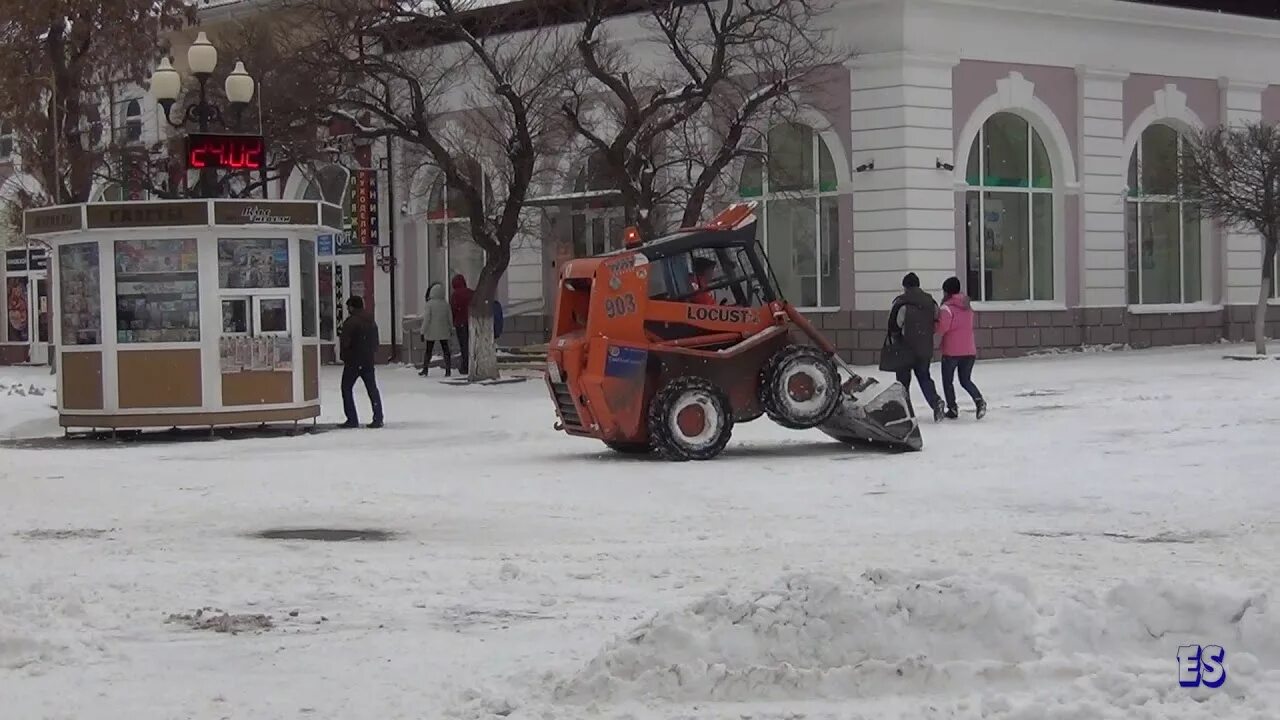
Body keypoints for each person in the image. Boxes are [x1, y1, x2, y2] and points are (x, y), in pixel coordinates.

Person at [889, 272, 945, 422]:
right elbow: (936, 319)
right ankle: (936, 401)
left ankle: (905, 412)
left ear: (905, 286)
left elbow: (895, 325)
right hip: (924, 347)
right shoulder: (930, 302)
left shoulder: (901, 302)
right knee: (925, 378)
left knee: (903, 382)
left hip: (904, 348)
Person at [935, 276, 987, 420]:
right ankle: (979, 400)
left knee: (948, 381)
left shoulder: (946, 308)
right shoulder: (967, 306)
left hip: (951, 351)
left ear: (946, 291)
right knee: (965, 380)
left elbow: (941, 329)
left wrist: (934, 323)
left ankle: (952, 408)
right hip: (969, 350)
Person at [338, 296, 383, 428]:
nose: (347, 309)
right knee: (372, 389)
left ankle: (352, 419)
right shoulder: (371, 321)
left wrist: (345, 356)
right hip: (367, 360)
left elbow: (346, 342)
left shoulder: (351, 322)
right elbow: (375, 342)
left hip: (353, 361)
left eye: (348, 307)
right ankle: (378, 417)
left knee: (346, 388)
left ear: (352, 307)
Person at [418, 282, 452, 377]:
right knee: (446, 350)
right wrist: (450, 328)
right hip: (444, 331)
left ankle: (425, 369)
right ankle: (448, 370)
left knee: (428, 351)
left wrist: (422, 332)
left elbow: (427, 319)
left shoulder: (429, 304)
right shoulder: (445, 304)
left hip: (431, 332)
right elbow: (450, 318)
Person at [449, 274, 474, 375]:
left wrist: (454, 321)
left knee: (464, 346)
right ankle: (472, 365)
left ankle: (465, 366)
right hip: (471, 322)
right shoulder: (471, 293)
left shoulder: (455, 295)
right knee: (471, 345)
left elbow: (453, 310)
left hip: (460, 323)